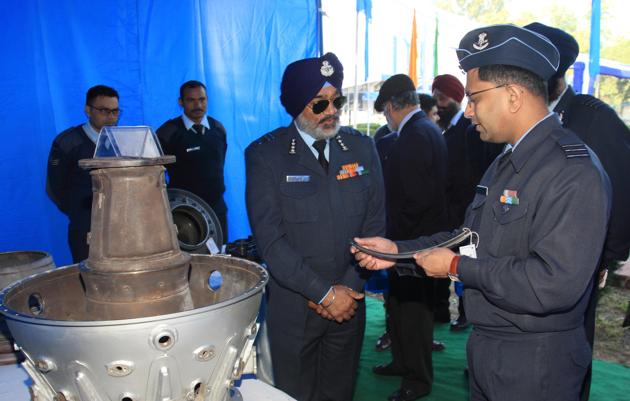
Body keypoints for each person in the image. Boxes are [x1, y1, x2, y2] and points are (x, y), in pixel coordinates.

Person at [352, 24, 611, 401]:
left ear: (513, 96)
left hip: (536, 362)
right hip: (491, 348)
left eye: (475, 98)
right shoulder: (507, 161)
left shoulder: (572, 171)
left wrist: (457, 269)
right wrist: (397, 252)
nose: (468, 111)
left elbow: (552, 284)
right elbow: (468, 239)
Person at [245, 52, 385, 401]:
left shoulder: (361, 147)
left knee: (339, 391)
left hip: (349, 303)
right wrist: (324, 294)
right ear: (296, 106)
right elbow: (271, 242)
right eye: (319, 104)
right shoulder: (265, 155)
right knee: (296, 393)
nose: (333, 111)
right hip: (295, 307)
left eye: (337, 100)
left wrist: (348, 290)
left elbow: (375, 224)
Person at [525, 22, 630, 401]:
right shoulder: (518, 121)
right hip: (519, 275)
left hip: (572, 274)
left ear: (556, 78)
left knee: (563, 371)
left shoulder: (592, 119)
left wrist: (604, 262)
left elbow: (622, 193)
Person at [371, 74, 448, 401]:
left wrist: (395, 245)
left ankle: (417, 380)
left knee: (415, 314)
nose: (385, 119)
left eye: (384, 112)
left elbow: (414, 200)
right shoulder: (424, 129)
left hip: (413, 244)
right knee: (402, 307)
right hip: (414, 241)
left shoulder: (415, 135)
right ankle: (402, 362)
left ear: (391, 107)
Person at [431, 74, 504, 330]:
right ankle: (444, 309)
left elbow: (471, 175)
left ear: (456, 98)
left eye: (442, 97)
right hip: (451, 212)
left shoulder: (469, 128)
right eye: (435, 98)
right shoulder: (446, 128)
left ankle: (466, 312)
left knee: (467, 263)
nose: (438, 103)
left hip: (467, 214)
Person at [46, 85, 120, 263]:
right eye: (104, 110)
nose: (110, 117)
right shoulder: (68, 142)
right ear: (88, 110)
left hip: (119, 225)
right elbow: (54, 188)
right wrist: (80, 212)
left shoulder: (122, 140)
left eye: (115, 111)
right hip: (85, 229)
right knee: (91, 281)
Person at [156, 80, 228, 240]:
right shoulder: (167, 133)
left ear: (207, 100)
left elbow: (219, 164)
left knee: (220, 255)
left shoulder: (218, 129)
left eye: (202, 99)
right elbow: (156, 174)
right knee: (190, 260)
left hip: (217, 207)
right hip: (184, 211)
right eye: (191, 100)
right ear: (181, 102)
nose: (198, 105)